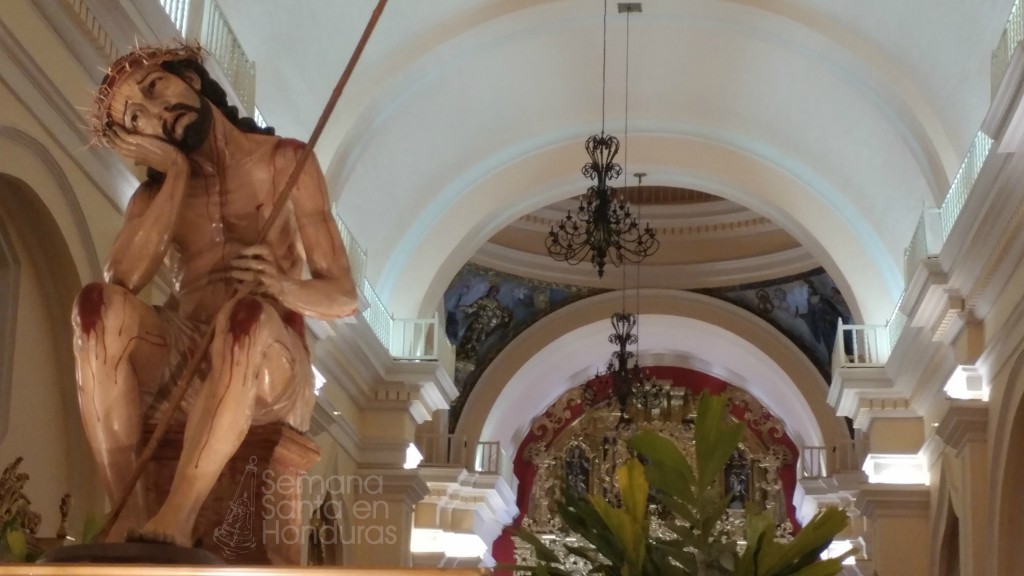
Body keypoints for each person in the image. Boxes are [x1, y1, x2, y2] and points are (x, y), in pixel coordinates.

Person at [73, 44, 358, 547]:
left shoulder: (286, 163)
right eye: (137, 118)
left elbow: (343, 297)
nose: (158, 112)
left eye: (156, 88)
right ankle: (127, 507)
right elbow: (122, 281)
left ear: (193, 79)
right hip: (185, 352)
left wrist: (283, 287)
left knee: (243, 316)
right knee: (97, 308)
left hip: (271, 362)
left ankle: (178, 515)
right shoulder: (154, 198)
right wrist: (177, 174)